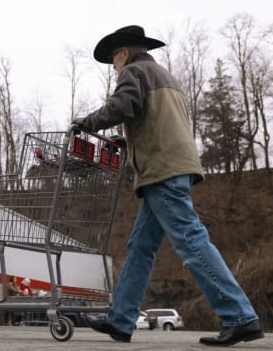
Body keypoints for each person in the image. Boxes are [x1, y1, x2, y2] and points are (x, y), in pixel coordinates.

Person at [73, 25, 263, 347]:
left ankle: (240, 317)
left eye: (113, 61)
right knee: (141, 248)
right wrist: (127, 140)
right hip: (173, 166)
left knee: (191, 241)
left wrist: (87, 122)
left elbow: (123, 106)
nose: (114, 68)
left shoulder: (133, 71)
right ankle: (120, 320)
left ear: (123, 53)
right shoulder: (163, 75)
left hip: (162, 170)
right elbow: (154, 120)